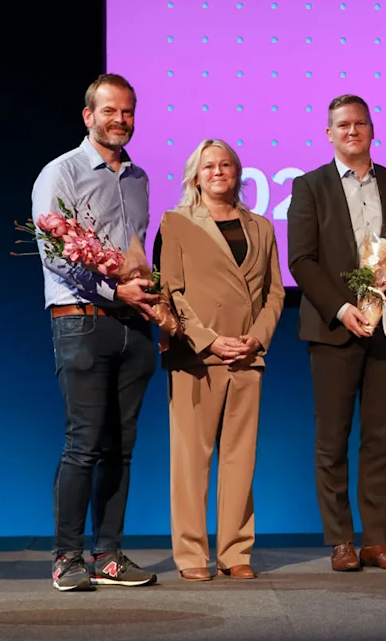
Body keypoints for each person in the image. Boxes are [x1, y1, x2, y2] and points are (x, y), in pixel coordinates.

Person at [287, 94, 386, 572]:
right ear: (329, 134)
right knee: (332, 439)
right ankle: (341, 541)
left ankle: (376, 541)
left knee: (380, 438)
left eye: (360, 123)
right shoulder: (309, 186)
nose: (352, 131)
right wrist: (343, 308)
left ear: (372, 130)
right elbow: (301, 260)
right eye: (343, 125)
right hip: (334, 328)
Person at [32, 74, 161, 591]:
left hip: (133, 326)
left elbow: (135, 254)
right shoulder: (60, 172)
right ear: (88, 116)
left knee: (120, 449)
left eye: (127, 112)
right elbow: (55, 255)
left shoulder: (139, 178)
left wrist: (145, 296)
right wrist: (114, 291)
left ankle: (108, 555)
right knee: (83, 444)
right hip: (82, 321)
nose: (120, 120)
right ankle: (67, 557)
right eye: (110, 111)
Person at [155, 139, 285, 582]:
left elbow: (274, 293)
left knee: (240, 459)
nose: (218, 171)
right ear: (195, 175)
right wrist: (209, 342)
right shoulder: (176, 222)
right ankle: (192, 555)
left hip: (247, 357)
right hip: (196, 358)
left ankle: (235, 552)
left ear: (238, 173)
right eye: (209, 165)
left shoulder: (261, 226)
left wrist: (256, 338)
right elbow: (170, 292)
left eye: (226, 164)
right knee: (191, 461)